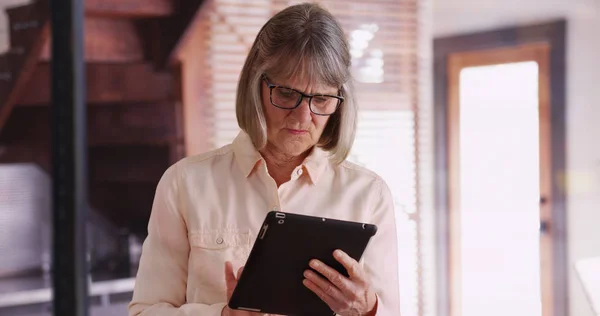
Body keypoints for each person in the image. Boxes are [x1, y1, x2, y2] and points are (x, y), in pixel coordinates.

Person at [128, 2, 400, 316]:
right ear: (255, 87)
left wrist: (368, 310)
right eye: (286, 94)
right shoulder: (184, 184)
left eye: (321, 99)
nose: (302, 116)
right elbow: (143, 312)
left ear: (339, 102)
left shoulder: (369, 195)